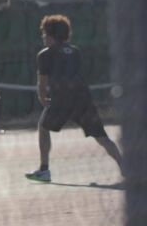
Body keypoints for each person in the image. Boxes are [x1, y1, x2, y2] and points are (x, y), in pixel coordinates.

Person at [25, 13, 124, 183]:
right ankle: (126, 168)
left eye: (44, 33)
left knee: (43, 126)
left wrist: (42, 98)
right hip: (83, 98)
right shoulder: (75, 51)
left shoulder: (44, 55)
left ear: (51, 35)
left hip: (62, 100)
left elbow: (42, 83)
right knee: (102, 138)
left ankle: (44, 170)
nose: (43, 37)